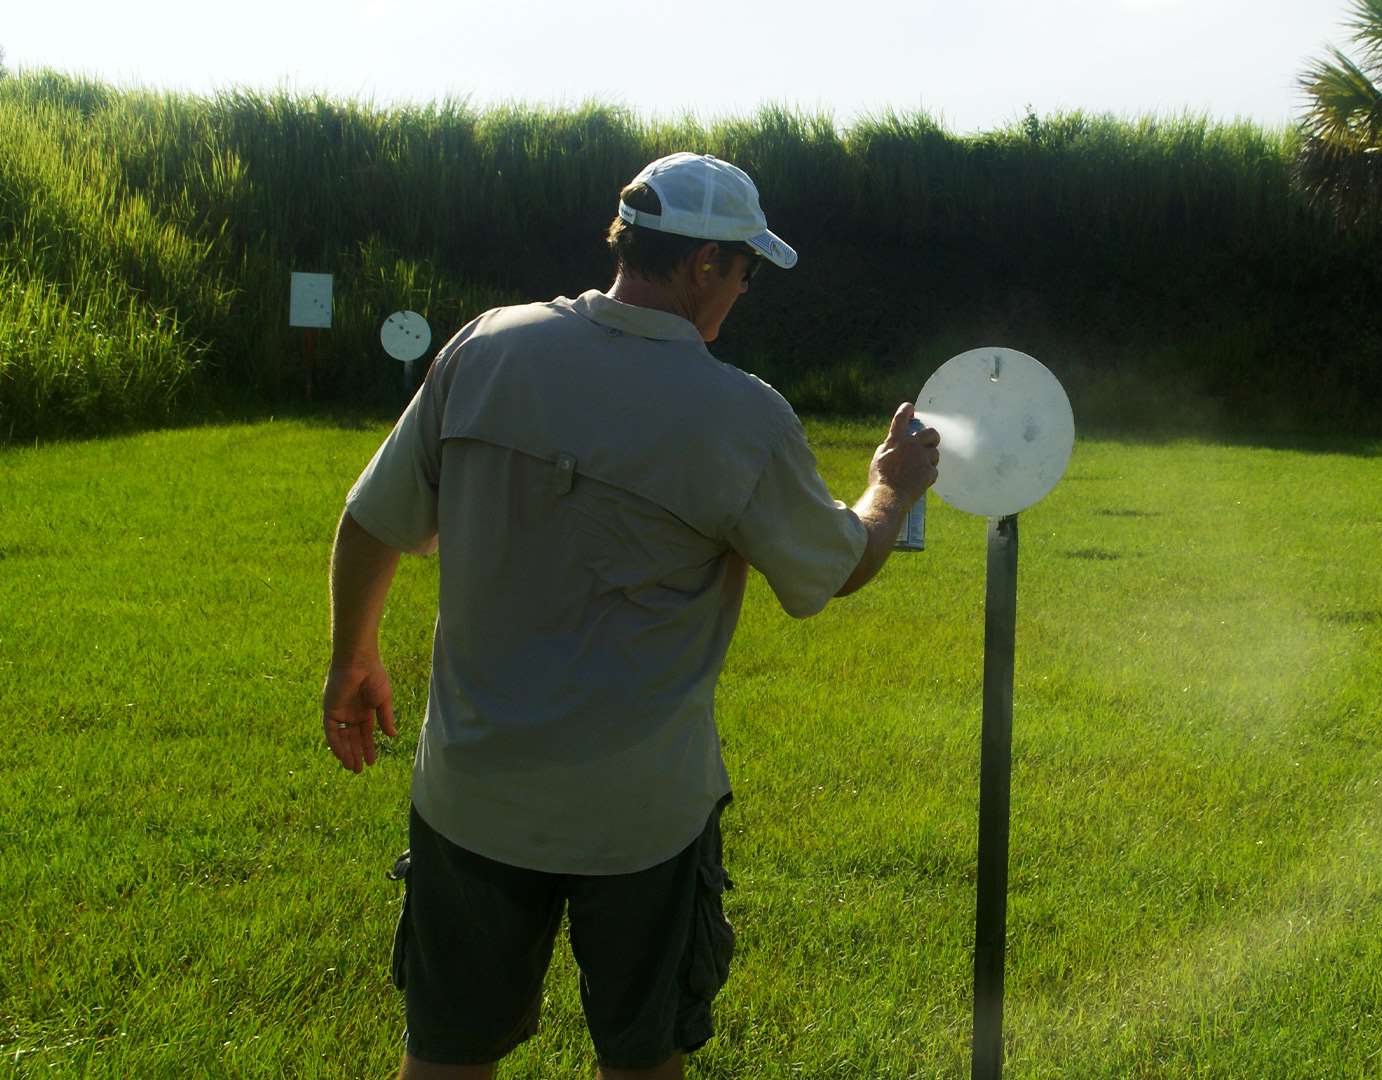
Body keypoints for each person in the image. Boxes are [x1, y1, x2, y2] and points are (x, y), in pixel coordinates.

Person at [321, 152, 939, 1080]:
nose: (742, 290)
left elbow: (372, 520)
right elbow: (836, 566)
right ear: (702, 266)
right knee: (641, 1061)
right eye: (744, 269)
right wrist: (890, 489)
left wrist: (352, 656)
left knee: (445, 1056)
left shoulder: (487, 346)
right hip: (641, 819)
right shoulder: (740, 416)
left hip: (470, 794)